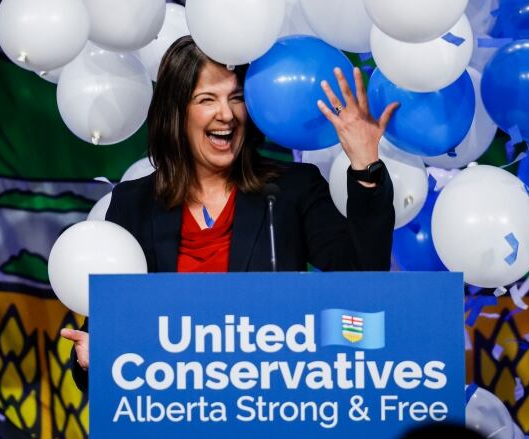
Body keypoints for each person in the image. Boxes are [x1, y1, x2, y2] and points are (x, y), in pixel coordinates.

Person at [61, 36, 399, 391]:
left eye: (236, 98)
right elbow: (103, 340)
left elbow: (364, 276)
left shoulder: (289, 190)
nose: (227, 114)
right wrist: (93, 360)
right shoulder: (134, 203)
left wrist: (365, 165)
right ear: (176, 112)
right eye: (207, 99)